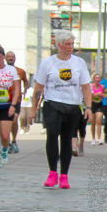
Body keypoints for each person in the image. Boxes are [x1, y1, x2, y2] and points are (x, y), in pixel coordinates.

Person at [33, 30, 92, 188]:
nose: (71, 47)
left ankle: (64, 175)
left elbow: (86, 87)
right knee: (52, 135)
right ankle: (53, 173)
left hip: (72, 105)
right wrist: (33, 108)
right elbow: (38, 88)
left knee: (67, 139)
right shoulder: (48, 63)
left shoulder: (79, 63)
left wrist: (88, 107)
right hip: (53, 103)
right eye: (67, 44)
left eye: (72, 44)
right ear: (59, 45)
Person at [5, 50, 28, 153]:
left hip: (16, 100)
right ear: (5, 58)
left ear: (15, 59)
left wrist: (24, 91)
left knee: (14, 121)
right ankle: (8, 143)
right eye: (9, 56)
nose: (10, 58)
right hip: (4, 100)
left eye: (12, 57)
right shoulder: (2, 71)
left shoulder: (20, 71)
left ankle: (14, 141)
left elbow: (26, 82)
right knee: (6, 122)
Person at [89, 77, 106, 146]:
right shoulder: (91, 86)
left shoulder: (102, 87)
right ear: (94, 79)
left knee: (99, 121)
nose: (97, 80)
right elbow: (89, 96)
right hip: (93, 104)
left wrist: (102, 94)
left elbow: (105, 95)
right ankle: (93, 139)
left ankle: (99, 138)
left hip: (99, 104)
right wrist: (96, 95)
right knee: (93, 123)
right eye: (96, 78)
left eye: (99, 79)